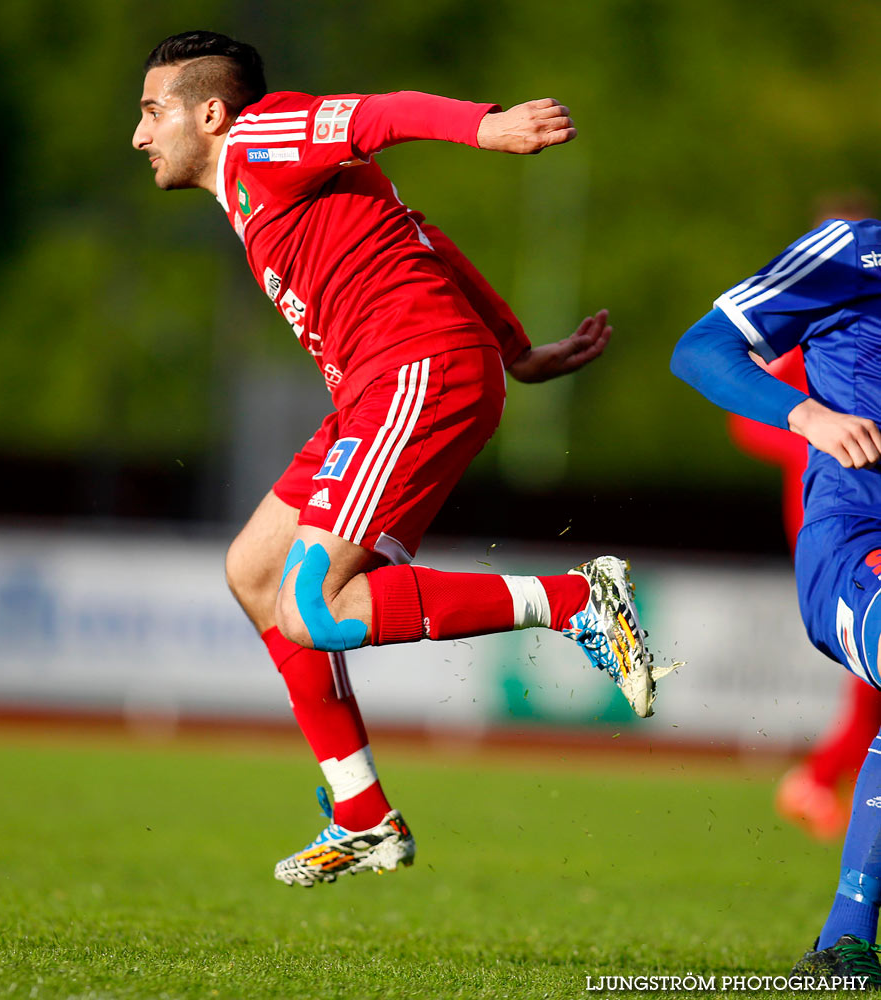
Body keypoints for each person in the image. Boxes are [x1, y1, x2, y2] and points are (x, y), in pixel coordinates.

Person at [132, 30, 659, 888]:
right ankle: (363, 816)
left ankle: (575, 602)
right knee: (256, 572)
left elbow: (384, 114)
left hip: (415, 371)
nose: (140, 135)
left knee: (317, 606)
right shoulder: (259, 181)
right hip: (381, 386)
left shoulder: (264, 137)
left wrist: (488, 127)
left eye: (153, 112)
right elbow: (419, 233)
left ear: (212, 113)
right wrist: (516, 349)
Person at [671, 215, 881, 980]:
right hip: (856, 544)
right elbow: (699, 349)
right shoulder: (854, 253)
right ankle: (845, 939)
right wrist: (810, 418)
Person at [729, 349, 881, 841]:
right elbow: (746, 420)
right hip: (837, 515)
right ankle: (819, 779)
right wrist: (820, 435)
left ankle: (820, 779)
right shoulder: (812, 317)